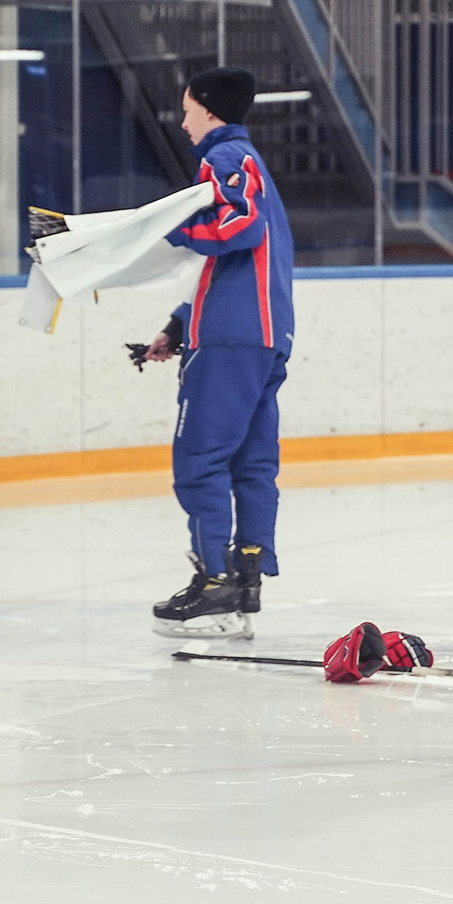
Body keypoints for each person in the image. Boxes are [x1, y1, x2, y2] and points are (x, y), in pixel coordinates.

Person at [137, 65, 295, 640]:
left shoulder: (222, 158)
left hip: (230, 338)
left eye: (186, 110)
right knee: (252, 462)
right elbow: (243, 259)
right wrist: (179, 326)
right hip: (263, 336)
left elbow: (240, 229)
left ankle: (213, 582)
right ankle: (246, 574)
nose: (182, 122)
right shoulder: (253, 166)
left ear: (208, 109)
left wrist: (173, 229)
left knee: (199, 460)